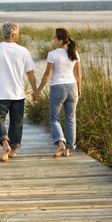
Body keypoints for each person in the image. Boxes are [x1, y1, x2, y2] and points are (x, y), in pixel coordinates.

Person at [0, 23, 37, 162]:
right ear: (14, 35)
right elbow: (30, 73)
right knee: (16, 122)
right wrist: (35, 90)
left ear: (4, 33)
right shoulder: (23, 51)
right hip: (18, 94)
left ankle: (4, 142)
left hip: (1, 94)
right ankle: (13, 150)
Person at [35, 28, 81, 158]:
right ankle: (68, 148)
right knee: (71, 118)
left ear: (60, 40)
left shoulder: (53, 54)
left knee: (54, 118)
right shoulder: (75, 53)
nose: (53, 40)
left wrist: (38, 90)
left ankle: (61, 142)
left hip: (58, 88)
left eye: (54, 38)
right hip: (72, 88)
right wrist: (79, 88)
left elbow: (47, 74)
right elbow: (78, 75)